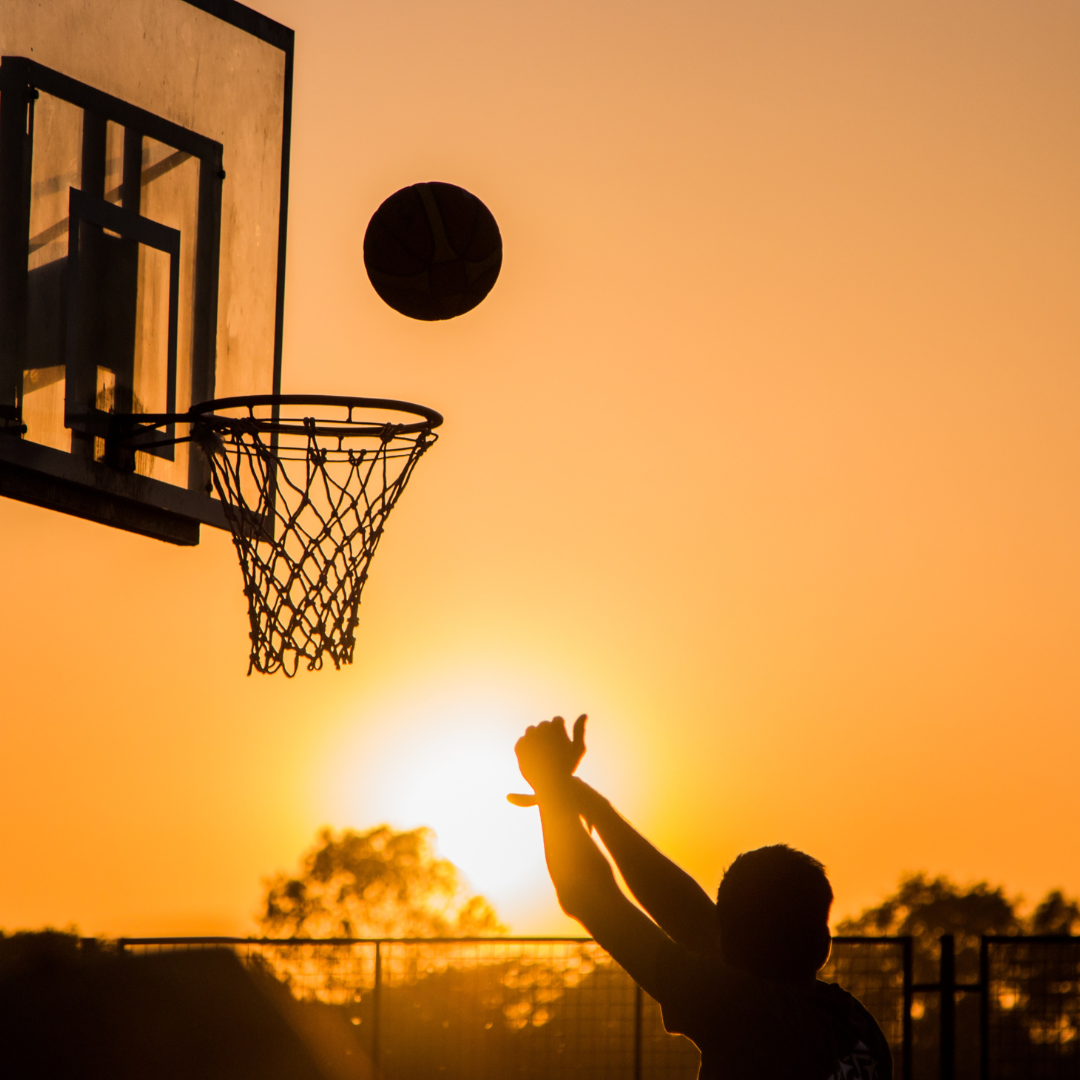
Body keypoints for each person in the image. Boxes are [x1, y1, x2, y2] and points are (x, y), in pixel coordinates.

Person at [509, 715, 892, 1080]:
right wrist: (585, 802)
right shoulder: (853, 1024)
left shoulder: (746, 1013)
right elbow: (688, 916)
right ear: (822, 943)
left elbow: (589, 897)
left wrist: (551, 783)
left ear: (730, 941)